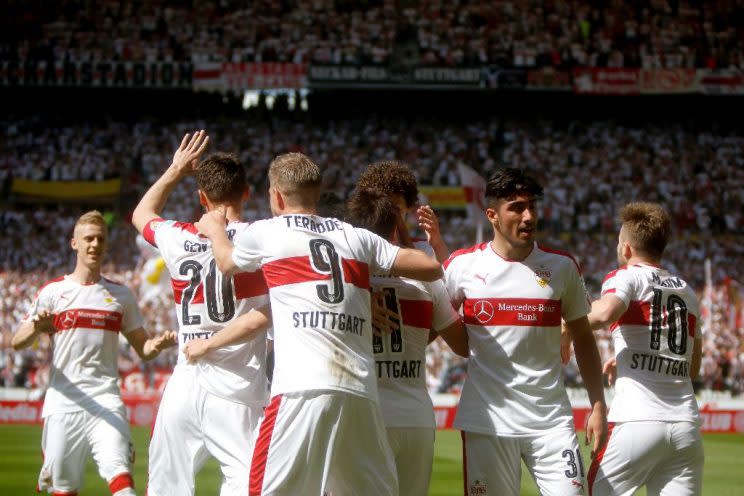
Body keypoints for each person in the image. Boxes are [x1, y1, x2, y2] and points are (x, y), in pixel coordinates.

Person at [196, 152, 443, 496]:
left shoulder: (266, 232)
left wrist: (215, 229)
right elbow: (431, 267)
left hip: (301, 387)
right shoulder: (356, 237)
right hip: (359, 393)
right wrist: (365, 281)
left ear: (277, 196)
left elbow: (225, 262)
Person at [442, 167, 607, 496]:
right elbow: (433, 321)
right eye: (516, 207)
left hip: (551, 422)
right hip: (488, 423)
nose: (528, 216)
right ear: (492, 215)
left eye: (532, 206)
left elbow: (584, 338)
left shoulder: (562, 267)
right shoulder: (462, 266)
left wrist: (598, 404)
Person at [131, 131, 271, 496]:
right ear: (247, 193)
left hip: (185, 381)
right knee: (247, 485)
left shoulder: (178, 236)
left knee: (166, 486)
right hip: (238, 385)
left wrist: (175, 169)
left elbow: (141, 214)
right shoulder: (263, 238)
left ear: (201, 197)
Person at [11, 210, 176, 496]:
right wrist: (38, 327)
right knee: (64, 489)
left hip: (106, 399)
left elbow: (143, 349)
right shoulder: (53, 292)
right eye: (88, 238)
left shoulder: (121, 296)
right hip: (63, 403)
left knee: (120, 476)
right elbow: (17, 342)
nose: (94, 245)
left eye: (100, 239)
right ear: (74, 243)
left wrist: (156, 345)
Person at [346, 187, 468, 495]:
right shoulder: (425, 279)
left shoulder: (341, 281)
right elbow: (463, 345)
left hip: (362, 413)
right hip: (414, 416)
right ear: (393, 226)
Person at [586, 202, 703, 496]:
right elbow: (692, 367)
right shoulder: (687, 292)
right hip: (685, 429)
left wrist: (563, 325)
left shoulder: (626, 275)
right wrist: (626, 357)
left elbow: (603, 314)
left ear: (626, 249)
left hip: (635, 421)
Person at [356, 160, 450, 262]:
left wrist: (437, 243)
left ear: (409, 206)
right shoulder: (358, 246)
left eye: (395, 208)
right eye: (382, 206)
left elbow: (446, 273)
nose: (388, 214)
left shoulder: (426, 248)